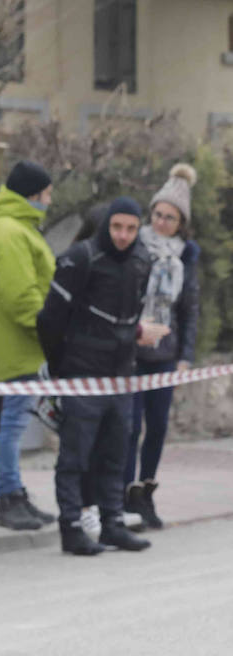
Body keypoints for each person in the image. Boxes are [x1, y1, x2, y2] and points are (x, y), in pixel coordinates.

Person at [37, 197, 165, 555]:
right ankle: (72, 527)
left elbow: (129, 319)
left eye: (131, 228)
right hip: (82, 374)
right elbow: (49, 319)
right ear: (106, 225)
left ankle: (112, 524)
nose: (123, 235)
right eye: (116, 227)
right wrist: (62, 368)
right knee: (75, 458)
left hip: (121, 376)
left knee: (115, 454)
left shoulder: (142, 261)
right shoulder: (81, 258)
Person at [0, 160, 59, 531]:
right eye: (46, 194)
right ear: (33, 194)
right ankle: (8, 498)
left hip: (18, 346)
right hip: (16, 346)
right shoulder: (11, 231)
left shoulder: (13, 226)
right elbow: (21, 297)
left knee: (12, 424)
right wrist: (51, 331)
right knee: (11, 425)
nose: (49, 200)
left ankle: (15, 492)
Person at [124, 164, 201, 529]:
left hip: (165, 354)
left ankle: (146, 492)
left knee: (156, 427)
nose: (162, 222)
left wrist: (185, 355)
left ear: (180, 222)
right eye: (157, 214)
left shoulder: (187, 256)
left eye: (170, 217)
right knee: (129, 426)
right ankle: (124, 493)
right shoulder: (135, 245)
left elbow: (189, 308)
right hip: (133, 350)